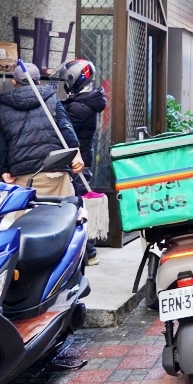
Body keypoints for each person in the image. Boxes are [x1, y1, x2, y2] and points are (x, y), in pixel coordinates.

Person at [0, 65, 83, 196]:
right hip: (54, 173)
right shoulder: (52, 99)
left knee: (25, 215)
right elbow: (65, 127)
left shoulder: (1, 107)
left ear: (13, 82)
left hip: (22, 176)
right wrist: (77, 154)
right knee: (61, 214)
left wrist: (3, 171)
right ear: (38, 82)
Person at [55, 58, 106, 263]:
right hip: (82, 160)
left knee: (77, 204)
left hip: (78, 163)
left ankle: (89, 252)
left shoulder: (79, 108)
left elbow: (61, 123)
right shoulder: (87, 100)